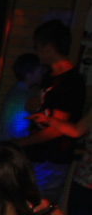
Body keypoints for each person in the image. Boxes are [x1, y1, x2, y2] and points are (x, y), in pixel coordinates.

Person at [16, 18, 88, 203]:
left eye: (37, 46)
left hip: (51, 159)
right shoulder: (49, 75)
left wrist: (20, 142)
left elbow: (57, 129)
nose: (36, 51)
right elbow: (46, 108)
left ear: (47, 47)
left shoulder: (71, 81)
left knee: (39, 206)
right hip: (37, 154)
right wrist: (33, 104)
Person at [0, 53, 44, 142]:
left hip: (5, 142)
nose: (42, 74)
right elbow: (18, 130)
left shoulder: (16, 91)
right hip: (11, 144)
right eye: (40, 71)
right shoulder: (25, 96)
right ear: (29, 74)